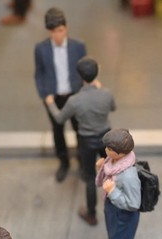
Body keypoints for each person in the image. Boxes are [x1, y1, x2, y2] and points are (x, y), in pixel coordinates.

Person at [94, 129, 162, 239]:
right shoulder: (112, 162)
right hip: (112, 208)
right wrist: (102, 169)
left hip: (123, 215)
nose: (106, 150)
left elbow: (134, 203)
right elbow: (105, 180)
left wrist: (113, 192)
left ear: (120, 153)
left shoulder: (128, 176)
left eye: (109, 149)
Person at [46, 57, 115, 226]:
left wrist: (51, 104)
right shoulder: (106, 93)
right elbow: (113, 107)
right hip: (105, 138)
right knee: (112, 173)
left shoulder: (75, 100)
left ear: (80, 77)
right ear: (97, 73)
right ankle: (115, 206)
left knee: (90, 178)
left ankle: (91, 214)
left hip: (87, 141)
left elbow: (59, 119)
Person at [34, 7, 87, 183]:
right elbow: (39, 73)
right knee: (58, 131)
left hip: (74, 95)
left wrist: (85, 88)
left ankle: (82, 161)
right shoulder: (41, 49)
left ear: (66, 28)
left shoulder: (78, 46)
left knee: (80, 129)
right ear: (49, 32)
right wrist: (45, 95)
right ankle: (63, 162)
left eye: (60, 30)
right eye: (54, 32)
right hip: (54, 97)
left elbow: (84, 70)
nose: (57, 35)